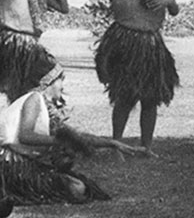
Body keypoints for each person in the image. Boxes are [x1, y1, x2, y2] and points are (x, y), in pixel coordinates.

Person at [75, 0, 179, 154]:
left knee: (150, 97)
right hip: (126, 39)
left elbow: (175, 10)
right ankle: (117, 145)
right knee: (124, 95)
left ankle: (146, 147)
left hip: (151, 42)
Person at [0, 56, 143, 213]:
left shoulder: (46, 107)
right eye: (61, 80)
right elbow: (25, 135)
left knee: (78, 187)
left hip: (19, 161)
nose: (63, 86)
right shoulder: (34, 99)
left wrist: (112, 143)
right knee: (77, 188)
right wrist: (59, 141)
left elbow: (77, 138)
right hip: (9, 163)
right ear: (48, 82)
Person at [0, 0, 69, 102]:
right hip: (12, 42)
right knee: (35, 81)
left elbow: (63, 8)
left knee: (28, 88)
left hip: (31, 44)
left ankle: (23, 123)